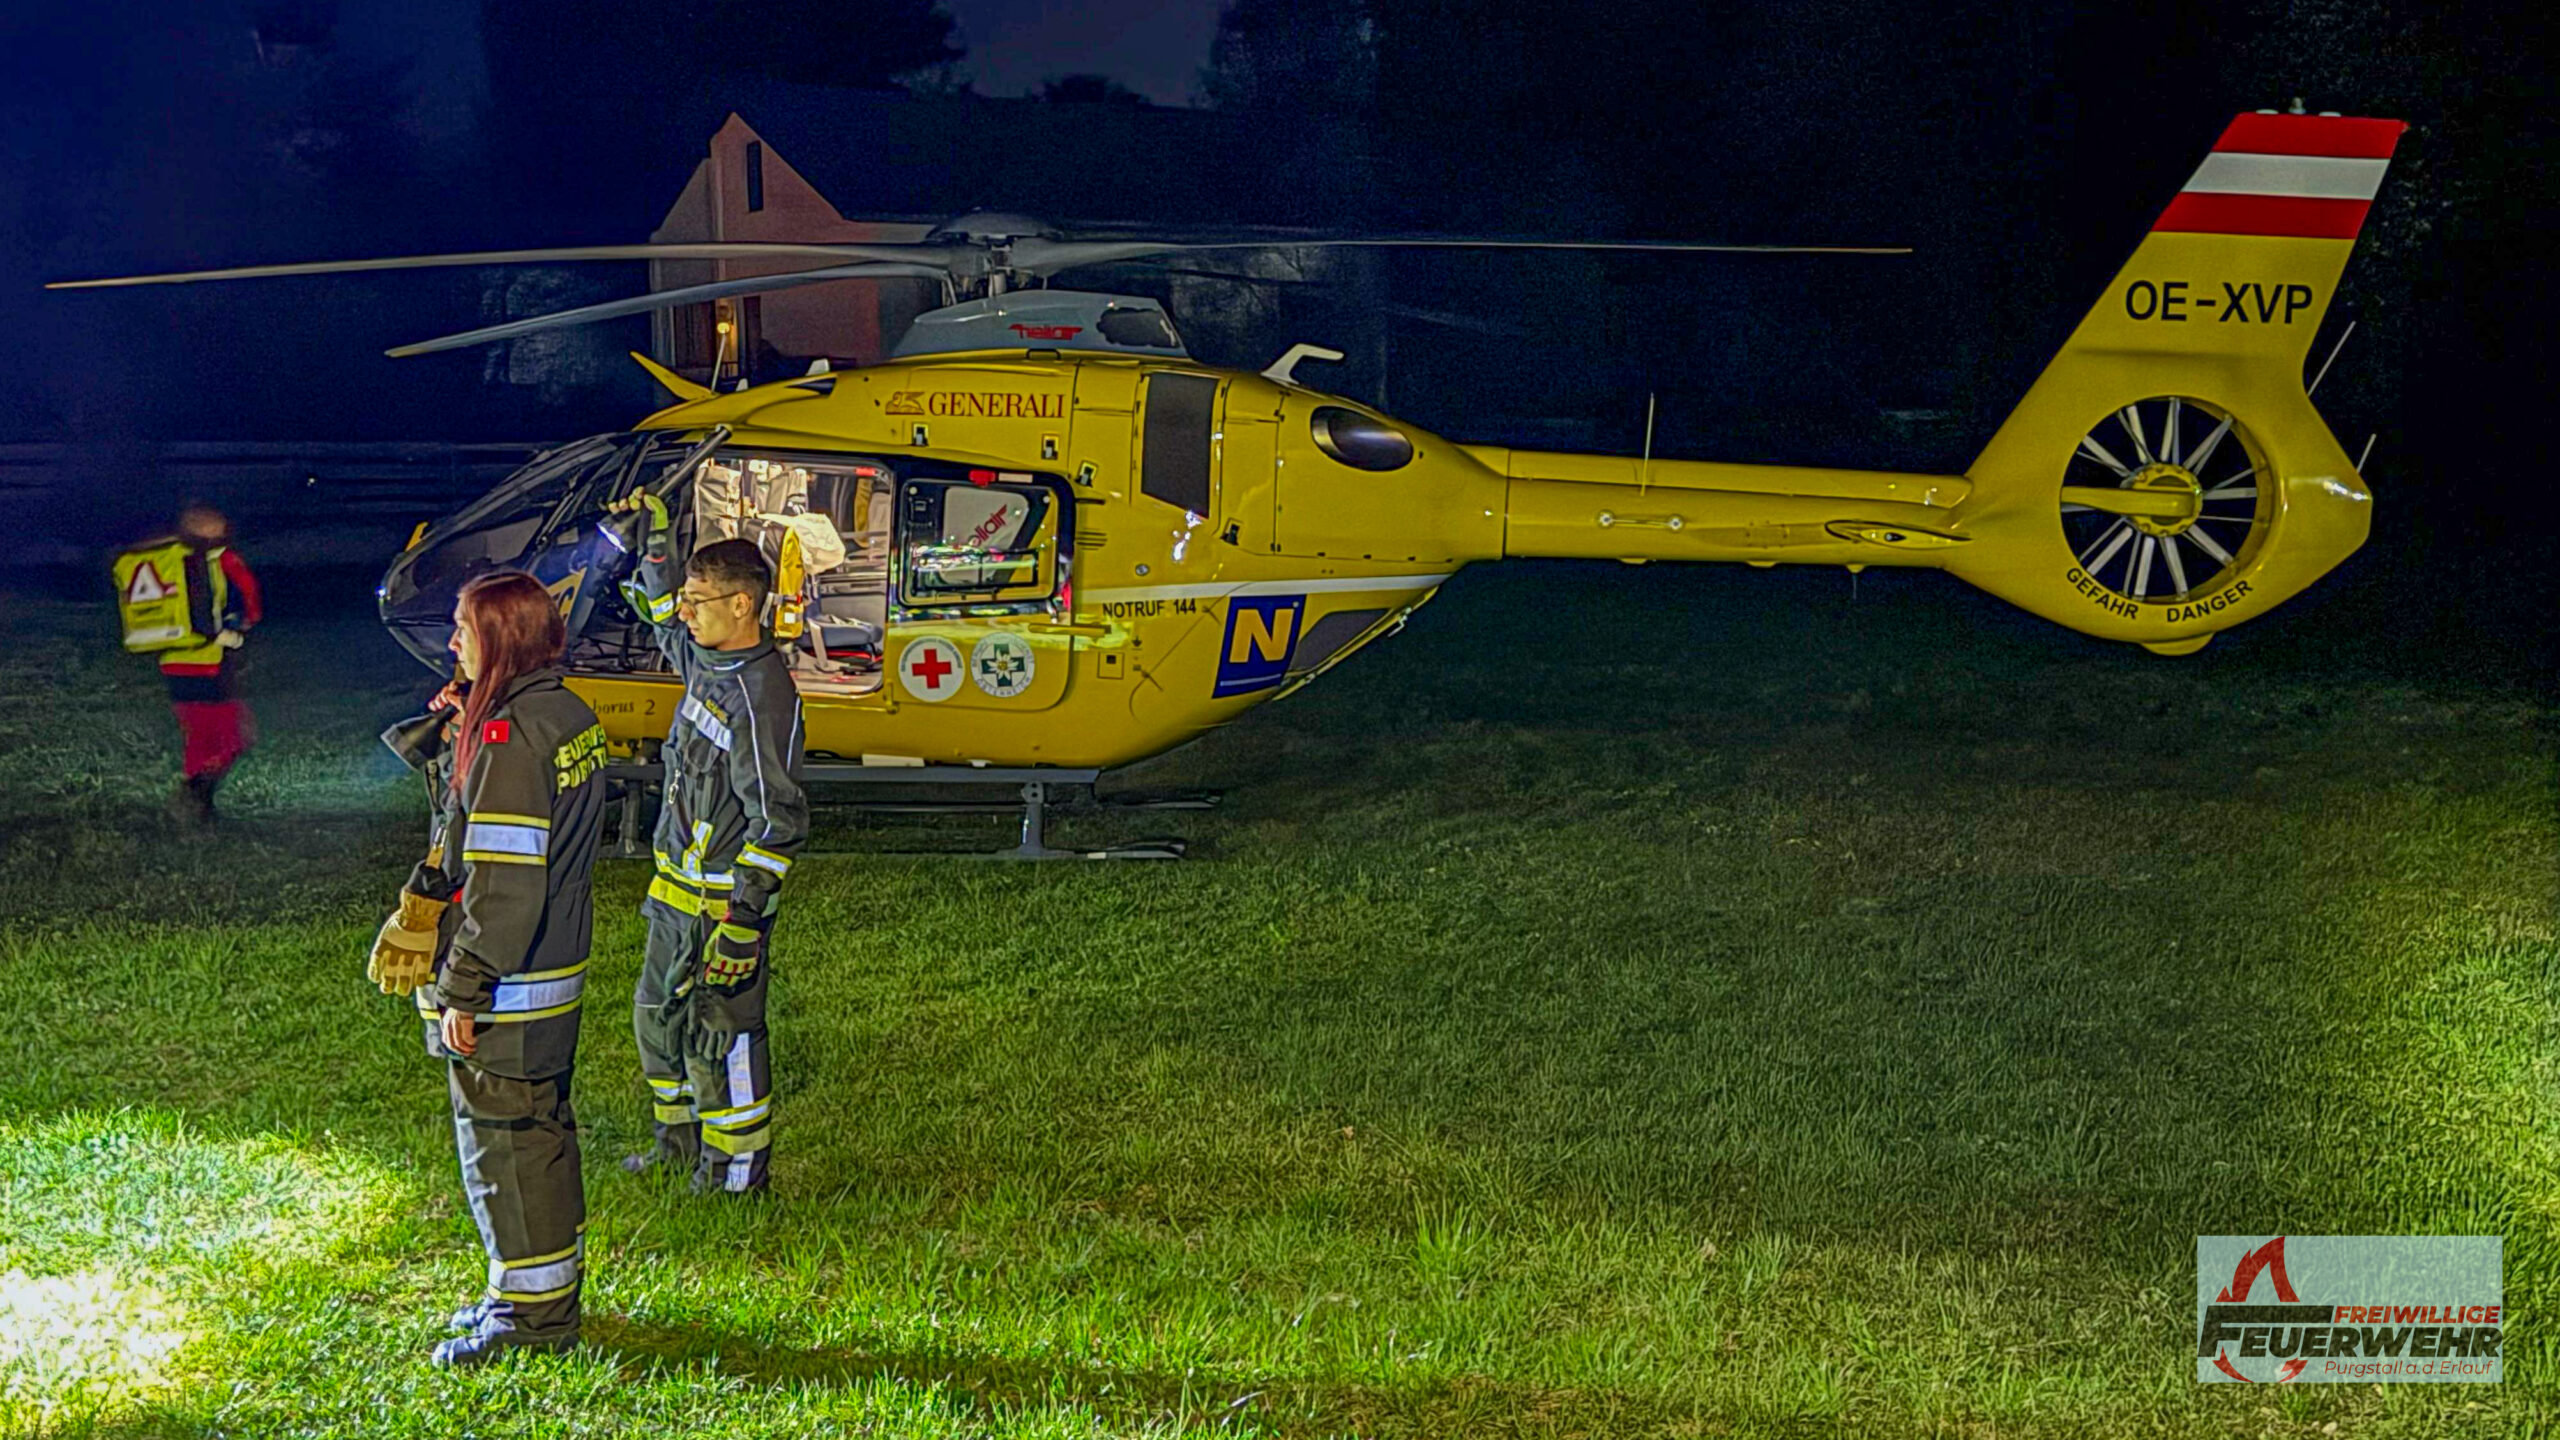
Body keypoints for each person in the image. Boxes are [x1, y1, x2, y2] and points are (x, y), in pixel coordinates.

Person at [370, 569, 609, 1367]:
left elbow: (505, 883)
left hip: (509, 983)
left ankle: (530, 1321)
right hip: (554, 969)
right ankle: (543, 1294)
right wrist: (462, 722)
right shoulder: (564, 713)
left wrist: (463, 985)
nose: (451, 645)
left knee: (507, 1146)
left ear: (500, 640)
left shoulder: (510, 740)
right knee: (540, 1132)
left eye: (464, 632)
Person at [606, 488, 808, 1195]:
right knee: (657, 1019)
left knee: (724, 1038)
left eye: (699, 599)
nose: (684, 611)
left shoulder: (761, 695)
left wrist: (744, 921)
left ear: (741, 607)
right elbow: (661, 617)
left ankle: (735, 1173)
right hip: (674, 893)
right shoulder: (703, 661)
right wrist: (655, 546)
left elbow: (778, 819)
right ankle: (678, 1144)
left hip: (724, 909)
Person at [118, 503, 261, 825]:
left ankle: (198, 808)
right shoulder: (211, 559)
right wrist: (235, 631)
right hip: (211, 661)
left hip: (173, 661)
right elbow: (247, 602)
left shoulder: (161, 556)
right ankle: (193, 799)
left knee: (199, 737)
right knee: (234, 737)